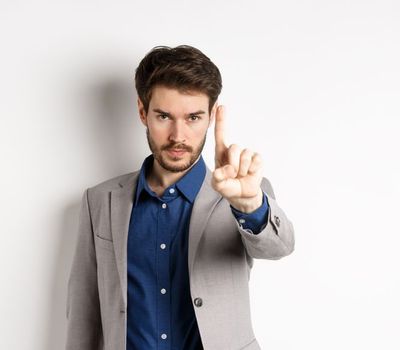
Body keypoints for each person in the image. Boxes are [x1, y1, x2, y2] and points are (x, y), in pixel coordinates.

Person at [65, 45, 295, 350]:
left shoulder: (243, 192)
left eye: (193, 118)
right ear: (142, 112)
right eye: (163, 116)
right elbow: (84, 312)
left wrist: (251, 205)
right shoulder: (100, 201)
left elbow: (279, 247)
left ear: (211, 117)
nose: (178, 136)